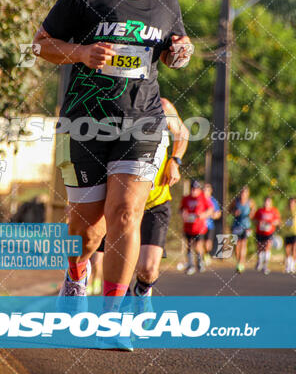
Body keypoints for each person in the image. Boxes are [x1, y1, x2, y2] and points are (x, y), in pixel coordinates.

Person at [34, 0, 192, 299]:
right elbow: (40, 44)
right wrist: (81, 53)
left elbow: (176, 50)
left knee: (124, 213)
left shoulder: (165, 0)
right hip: (85, 122)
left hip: (142, 121)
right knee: (87, 233)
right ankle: (76, 273)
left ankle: (113, 315)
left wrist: (181, 52)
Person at [91, 97, 189, 300]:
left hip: (155, 202)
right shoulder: (111, 105)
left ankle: (142, 292)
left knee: (148, 269)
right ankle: (118, 310)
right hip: (119, 203)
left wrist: (175, 161)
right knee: (118, 269)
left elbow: (182, 133)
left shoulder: (162, 106)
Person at [180, 180, 213, 275]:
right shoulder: (186, 198)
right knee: (189, 245)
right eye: (192, 189)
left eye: (196, 189)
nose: (194, 191)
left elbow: (210, 209)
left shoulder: (203, 198)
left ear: (199, 190)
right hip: (188, 226)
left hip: (199, 227)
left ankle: (199, 261)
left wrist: (203, 215)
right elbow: (181, 209)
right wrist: (183, 214)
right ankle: (191, 265)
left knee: (198, 245)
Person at [229, 186, 255, 273]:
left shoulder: (250, 202)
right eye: (242, 192)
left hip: (246, 226)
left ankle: (241, 262)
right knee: (237, 245)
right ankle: (238, 261)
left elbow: (254, 210)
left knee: (243, 244)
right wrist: (234, 213)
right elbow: (229, 210)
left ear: (248, 194)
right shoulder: (236, 201)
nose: (243, 194)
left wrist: (251, 214)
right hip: (236, 225)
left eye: (245, 193)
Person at [253, 196, 280, 275]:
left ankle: (266, 265)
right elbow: (254, 220)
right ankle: (260, 262)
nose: (266, 203)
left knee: (267, 247)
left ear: (271, 203)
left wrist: (272, 223)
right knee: (260, 248)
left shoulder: (274, 211)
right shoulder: (260, 211)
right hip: (260, 232)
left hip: (269, 232)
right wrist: (259, 223)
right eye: (265, 202)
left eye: (268, 202)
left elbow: (277, 221)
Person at [202, 183, 222, 266]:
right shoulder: (200, 200)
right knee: (199, 242)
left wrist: (214, 215)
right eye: (204, 190)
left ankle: (205, 254)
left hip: (209, 225)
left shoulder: (213, 201)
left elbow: (218, 213)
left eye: (207, 190)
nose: (205, 192)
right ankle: (201, 257)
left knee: (208, 244)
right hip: (200, 226)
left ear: (210, 191)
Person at [282, 197, 296, 274]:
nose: (291, 204)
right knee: (287, 249)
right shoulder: (285, 210)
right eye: (290, 203)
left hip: (295, 232)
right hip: (287, 232)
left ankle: (293, 266)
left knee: (294, 249)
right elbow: (282, 219)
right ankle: (288, 266)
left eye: (293, 203)